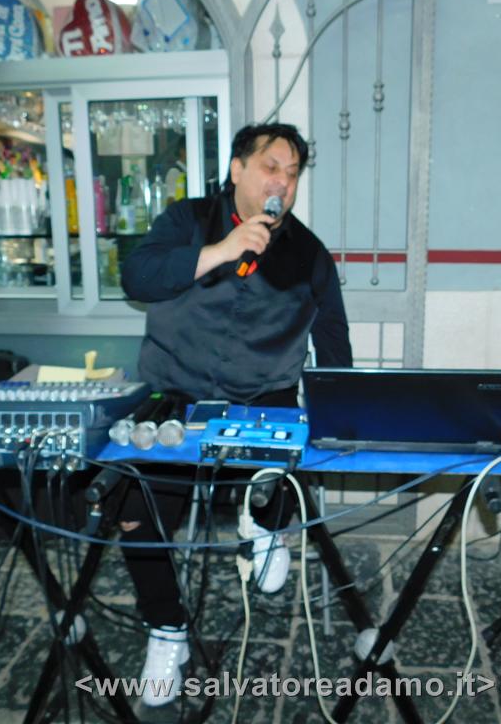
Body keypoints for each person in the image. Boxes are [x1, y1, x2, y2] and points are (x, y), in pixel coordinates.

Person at [119, 123, 352, 705]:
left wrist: (344, 414)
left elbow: (333, 341)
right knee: (134, 512)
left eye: (293, 174)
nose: (283, 183)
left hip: (263, 395)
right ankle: (167, 629)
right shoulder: (187, 220)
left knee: (284, 461)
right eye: (272, 167)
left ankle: (265, 525)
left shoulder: (310, 253)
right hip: (174, 392)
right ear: (237, 169)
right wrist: (222, 251)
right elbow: (136, 278)